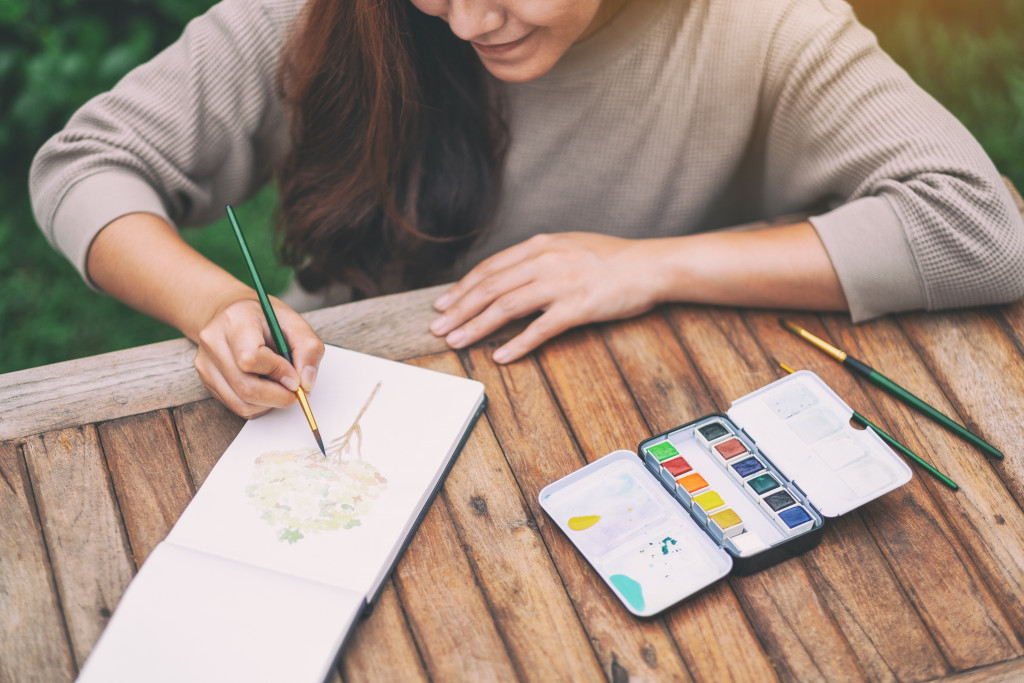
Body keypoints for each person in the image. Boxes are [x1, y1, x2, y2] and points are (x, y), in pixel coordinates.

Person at [30, 0, 1024, 419]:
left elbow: (978, 226)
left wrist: (651, 264)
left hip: (641, 416)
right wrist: (209, 303)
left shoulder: (760, 27)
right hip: (334, 405)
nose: (464, 24)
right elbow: (89, 164)